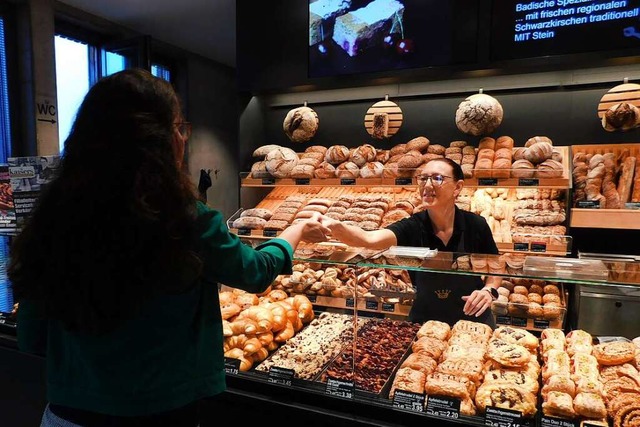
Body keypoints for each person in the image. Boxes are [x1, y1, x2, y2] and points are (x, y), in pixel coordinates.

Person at [8, 69, 330, 427]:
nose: (183, 138)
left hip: (69, 413)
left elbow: (32, 337)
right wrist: (295, 231)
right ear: (158, 141)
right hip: (160, 413)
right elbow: (253, 272)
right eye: (178, 127)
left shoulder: (55, 219)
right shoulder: (184, 220)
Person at [321, 157, 501, 326]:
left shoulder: (475, 224)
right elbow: (369, 239)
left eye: (437, 178)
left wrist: (489, 290)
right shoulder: (412, 226)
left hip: (473, 319)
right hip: (425, 320)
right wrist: (333, 226)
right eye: (423, 179)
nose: (427, 185)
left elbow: (496, 265)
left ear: (457, 187)